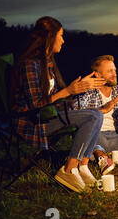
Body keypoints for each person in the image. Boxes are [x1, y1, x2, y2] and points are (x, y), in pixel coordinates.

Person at [10, 16, 107, 192]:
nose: (63, 40)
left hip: (47, 117)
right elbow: (35, 104)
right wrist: (68, 91)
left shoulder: (47, 63)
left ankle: (82, 166)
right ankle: (69, 169)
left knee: (96, 113)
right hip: (32, 122)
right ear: (50, 37)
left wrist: (79, 89)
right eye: (60, 35)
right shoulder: (30, 65)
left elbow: (55, 98)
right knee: (93, 116)